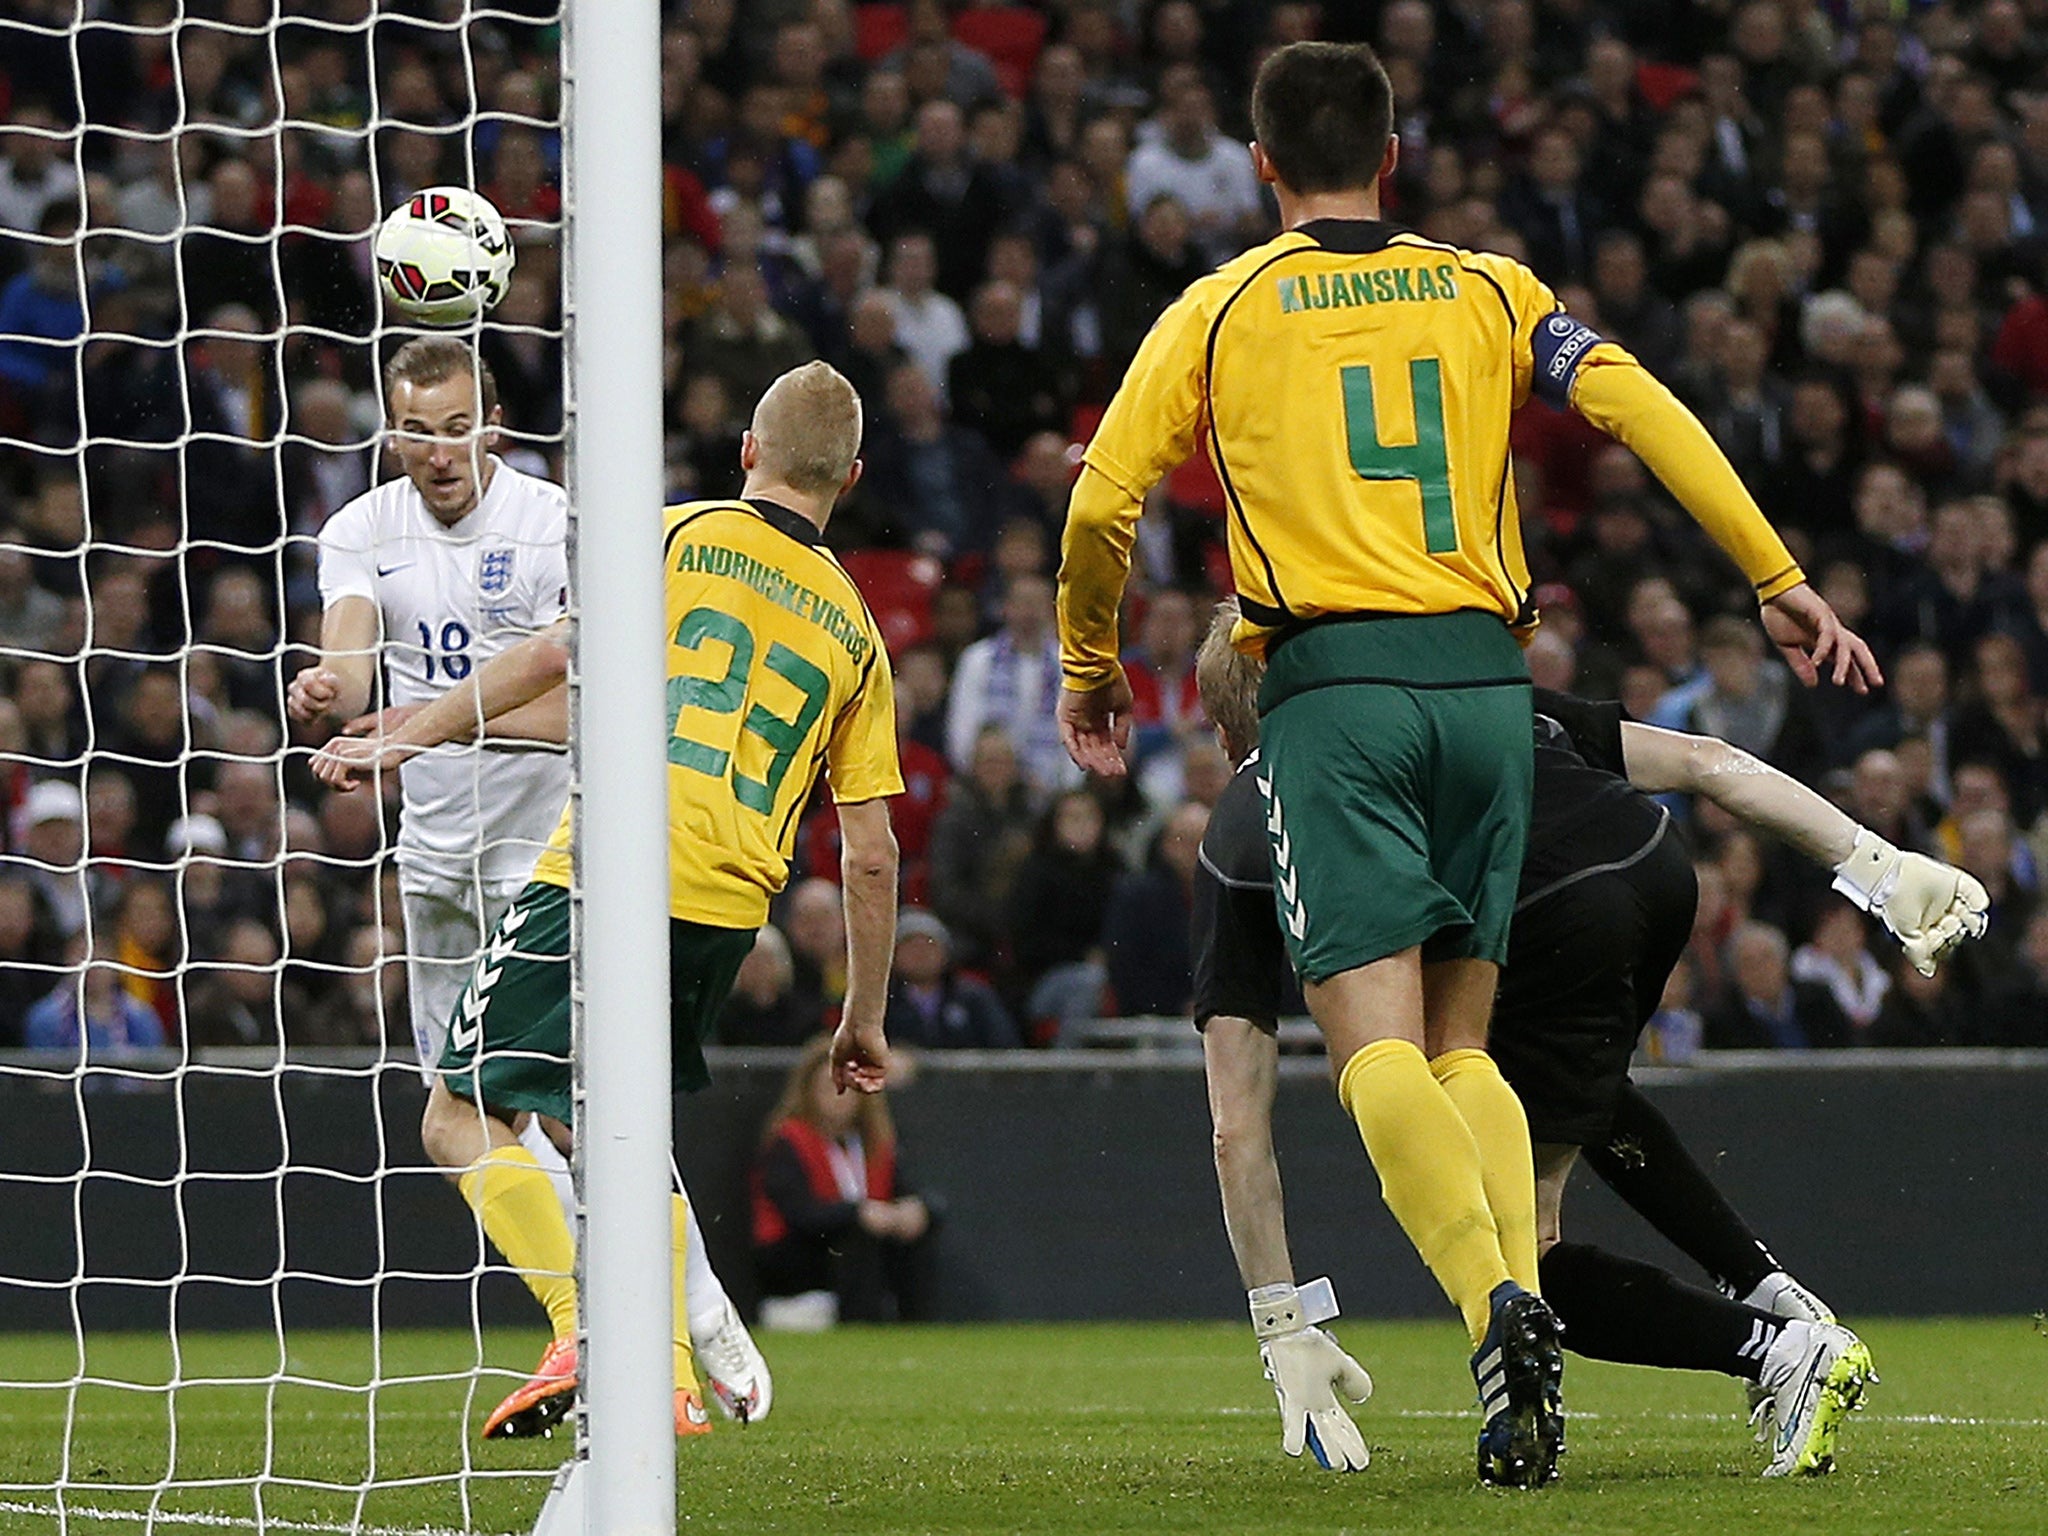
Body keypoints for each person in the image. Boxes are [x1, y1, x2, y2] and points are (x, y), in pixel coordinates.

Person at [1054, 41, 1880, 1487]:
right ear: (1392, 153)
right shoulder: (1491, 288)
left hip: (1335, 696)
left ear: (1260, 166)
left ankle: (1501, 1303)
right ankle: (1530, 1319)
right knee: (1463, 1045)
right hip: (1497, 691)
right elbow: (1637, 406)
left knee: (1374, 1047)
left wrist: (1089, 664)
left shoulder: (1218, 307)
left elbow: (1102, 505)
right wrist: (1772, 568)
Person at [1188, 598, 1984, 1478]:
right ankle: (1775, 1297)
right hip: (1654, 863)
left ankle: (1777, 1353)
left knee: (1532, 1250)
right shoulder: (1472, 694)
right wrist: (1876, 866)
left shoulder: (1257, 814)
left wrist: (1279, 1319)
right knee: (1581, 1096)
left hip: (1547, 916)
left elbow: (1236, 1125)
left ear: (1233, 731)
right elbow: (1706, 762)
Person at [315, 361, 902, 1440]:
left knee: (458, 1114)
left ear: (745, 455)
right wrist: (858, 1017)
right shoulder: (859, 632)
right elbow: (869, 855)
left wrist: (412, 729)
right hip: (728, 913)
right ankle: (672, 1370)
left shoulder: (679, 536)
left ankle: (584, 1326)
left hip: (610, 869)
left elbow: (551, 654)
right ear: (851, 477)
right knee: (616, 1132)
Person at [751, 1034, 933, 1326]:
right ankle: (858, 1323)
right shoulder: (789, 1141)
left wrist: (914, 1210)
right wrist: (856, 1213)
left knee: (910, 1234)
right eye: (828, 1087)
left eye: (848, 1089)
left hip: (861, 1250)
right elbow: (800, 1213)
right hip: (801, 1255)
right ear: (808, 1091)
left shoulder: (874, 1143)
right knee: (855, 1237)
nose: (839, 1097)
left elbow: (905, 1191)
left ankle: (917, 1324)